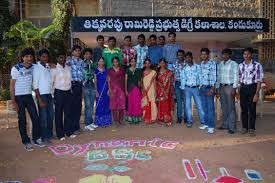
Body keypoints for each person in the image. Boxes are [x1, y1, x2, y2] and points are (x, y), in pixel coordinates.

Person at [10, 48, 45, 151]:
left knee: (35, 117)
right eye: (26, 56)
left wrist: (51, 65)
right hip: (19, 97)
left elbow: (43, 64)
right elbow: (12, 86)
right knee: (22, 120)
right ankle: (26, 141)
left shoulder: (34, 67)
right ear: (22, 58)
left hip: (29, 96)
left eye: (31, 56)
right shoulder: (16, 68)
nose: (29, 58)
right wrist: (13, 102)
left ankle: (36, 139)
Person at [239, 47, 264, 136]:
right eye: (245, 54)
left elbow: (259, 81)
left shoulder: (257, 65)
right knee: (243, 109)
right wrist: (239, 90)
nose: (246, 55)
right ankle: (244, 127)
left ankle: (252, 128)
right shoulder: (240, 65)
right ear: (243, 55)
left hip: (252, 88)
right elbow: (239, 79)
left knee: (252, 109)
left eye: (248, 54)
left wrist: (256, 94)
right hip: (243, 88)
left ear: (251, 55)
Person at [51, 51, 75, 140]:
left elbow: (70, 80)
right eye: (60, 57)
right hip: (58, 93)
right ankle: (60, 134)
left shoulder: (68, 68)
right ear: (57, 59)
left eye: (63, 57)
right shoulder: (54, 69)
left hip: (68, 92)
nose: (62, 59)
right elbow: (51, 83)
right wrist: (52, 95)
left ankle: (68, 132)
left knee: (68, 113)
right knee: (58, 114)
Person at [33, 49, 54, 144]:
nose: (45, 58)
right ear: (39, 57)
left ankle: (49, 134)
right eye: (43, 56)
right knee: (43, 118)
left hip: (49, 95)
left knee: (50, 116)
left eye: (46, 56)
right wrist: (39, 99)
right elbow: (35, 85)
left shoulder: (47, 66)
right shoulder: (36, 68)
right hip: (42, 95)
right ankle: (44, 137)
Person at [216, 48, 239, 134]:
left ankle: (232, 127)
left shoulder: (234, 64)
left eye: (226, 54)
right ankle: (225, 124)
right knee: (224, 107)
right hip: (221, 87)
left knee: (231, 107)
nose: (224, 56)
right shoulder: (221, 64)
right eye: (223, 54)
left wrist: (234, 88)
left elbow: (236, 77)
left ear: (230, 55)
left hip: (230, 87)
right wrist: (217, 88)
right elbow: (218, 77)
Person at [180, 52, 205, 128]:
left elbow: (201, 77)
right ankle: (189, 121)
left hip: (196, 88)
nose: (188, 59)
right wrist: (183, 88)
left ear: (192, 58)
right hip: (187, 88)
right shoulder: (184, 68)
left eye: (189, 57)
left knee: (199, 105)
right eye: (186, 58)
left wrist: (200, 86)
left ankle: (203, 120)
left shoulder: (197, 67)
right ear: (185, 59)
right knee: (187, 106)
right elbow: (183, 79)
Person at [66, 45, 84, 136]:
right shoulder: (68, 61)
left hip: (80, 85)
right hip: (72, 85)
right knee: (72, 107)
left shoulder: (82, 62)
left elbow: (83, 73)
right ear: (72, 52)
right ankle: (72, 127)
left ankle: (77, 126)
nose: (77, 52)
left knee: (78, 106)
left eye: (79, 51)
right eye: (76, 51)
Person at [199, 48, 217, 134]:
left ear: (208, 55)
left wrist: (212, 88)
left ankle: (211, 126)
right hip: (202, 88)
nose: (203, 56)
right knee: (204, 107)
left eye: (205, 54)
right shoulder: (201, 64)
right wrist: (200, 86)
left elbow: (214, 76)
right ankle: (206, 123)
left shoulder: (212, 63)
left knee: (210, 108)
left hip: (210, 87)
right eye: (202, 54)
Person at [94, 57, 112, 127]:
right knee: (99, 105)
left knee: (106, 104)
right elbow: (95, 81)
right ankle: (99, 122)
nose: (101, 63)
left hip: (106, 89)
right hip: (99, 89)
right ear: (98, 62)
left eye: (102, 61)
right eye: (100, 61)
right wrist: (96, 91)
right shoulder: (95, 70)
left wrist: (109, 89)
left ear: (104, 62)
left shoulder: (107, 70)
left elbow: (109, 81)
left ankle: (106, 121)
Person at [107, 57, 126, 126]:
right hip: (113, 89)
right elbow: (108, 81)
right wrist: (109, 89)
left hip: (121, 89)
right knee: (114, 105)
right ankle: (116, 120)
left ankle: (121, 119)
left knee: (122, 104)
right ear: (112, 63)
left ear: (118, 62)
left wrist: (124, 89)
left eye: (116, 61)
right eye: (114, 62)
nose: (115, 63)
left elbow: (124, 80)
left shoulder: (122, 70)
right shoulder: (110, 70)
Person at [83, 48, 98, 131]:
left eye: (89, 54)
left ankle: (90, 122)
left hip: (92, 84)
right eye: (86, 54)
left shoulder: (92, 63)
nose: (88, 55)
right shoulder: (82, 63)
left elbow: (94, 75)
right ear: (84, 55)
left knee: (92, 104)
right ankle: (87, 124)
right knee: (87, 104)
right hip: (85, 85)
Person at [156, 58, 174, 126]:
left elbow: (169, 83)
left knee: (166, 105)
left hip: (166, 91)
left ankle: (167, 119)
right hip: (159, 90)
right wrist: (159, 84)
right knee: (160, 104)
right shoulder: (157, 72)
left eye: (164, 63)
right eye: (161, 63)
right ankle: (161, 118)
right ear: (159, 64)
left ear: (165, 64)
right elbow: (156, 81)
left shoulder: (169, 72)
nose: (162, 64)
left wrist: (167, 91)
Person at [124, 57, 143, 124]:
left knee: (137, 103)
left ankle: (136, 118)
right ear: (130, 63)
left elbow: (140, 80)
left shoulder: (138, 70)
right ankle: (131, 118)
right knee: (130, 103)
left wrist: (140, 87)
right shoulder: (127, 70)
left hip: (136, 88)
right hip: (130, 89)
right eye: (132, 61)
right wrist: (126, 90)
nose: (133, 63)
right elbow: (125, 80)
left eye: (134, 61)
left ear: (136, 62)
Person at [141, 58, 158, 124]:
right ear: (144, 64)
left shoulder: (153, 72)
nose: (147, 64)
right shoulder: (143, 72)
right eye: (146, 63)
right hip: (145, 89)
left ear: (150, 64)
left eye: (148, 63)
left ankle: (153, 117)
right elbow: (141, 81)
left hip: (151, 89)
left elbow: (154, 82)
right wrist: (142, 88)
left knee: (152, 102)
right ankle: (146, 117)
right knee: (146, 102)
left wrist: (155, 91)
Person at [172, 49, 186, 124]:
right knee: (179, 101)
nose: (180, 56)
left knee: (186, 101)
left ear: (184, 55)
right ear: (177, 56)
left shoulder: (187, 63)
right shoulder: (174, 64)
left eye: (181, 55)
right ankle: (179, 118)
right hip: (177, 83)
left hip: (185, 84)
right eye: (178, 55)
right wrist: (173, 86)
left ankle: (186, 117)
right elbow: (173, 75)